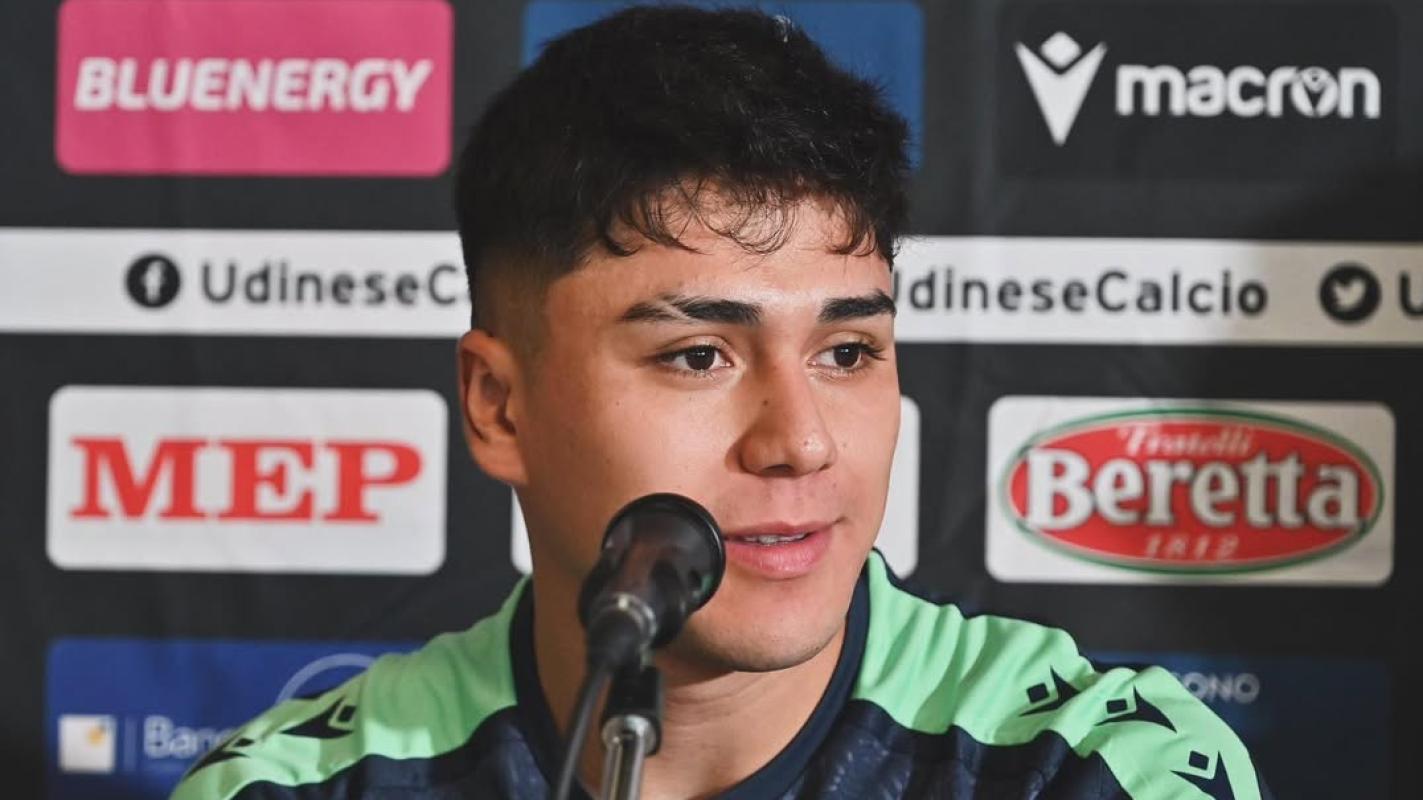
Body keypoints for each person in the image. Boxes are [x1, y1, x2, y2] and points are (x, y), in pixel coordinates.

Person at [171, 6, 1268, 799]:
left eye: (847, 350)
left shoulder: (1089, 766)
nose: (799, 440)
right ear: (498, 406)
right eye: (698, 356)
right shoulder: (297, 785)